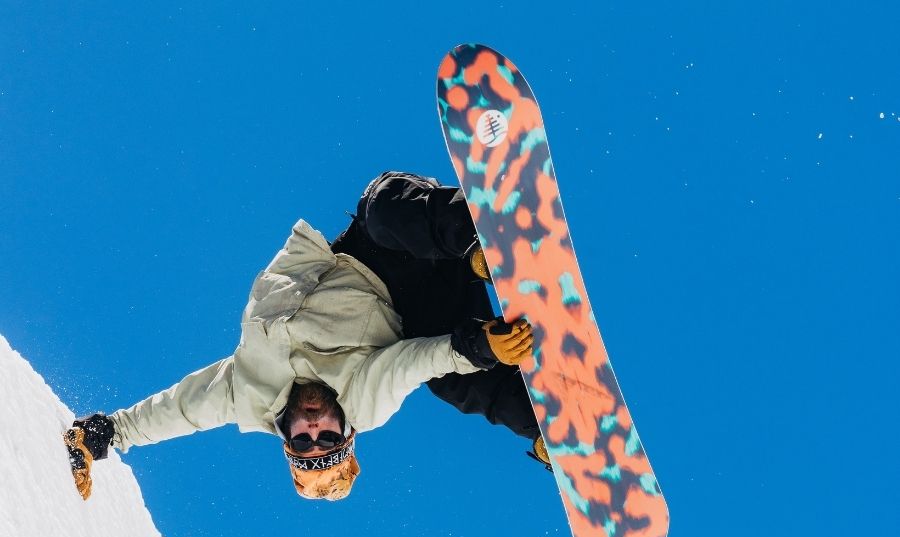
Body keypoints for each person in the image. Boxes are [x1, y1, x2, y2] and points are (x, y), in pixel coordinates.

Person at [65, 172, 550, 502]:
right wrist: (479, 346)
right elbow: (411, 363)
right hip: (427, 310)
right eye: (328, 440)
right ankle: (550, 428)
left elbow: (180, 411)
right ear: (345, 434)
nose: (315, 427)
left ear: (286, 437)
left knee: (382, 207)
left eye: (304, 440)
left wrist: (109, 433)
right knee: (455, 381)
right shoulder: (362, 402)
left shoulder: (244, 393)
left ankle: (480, 241)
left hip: (384, 246)